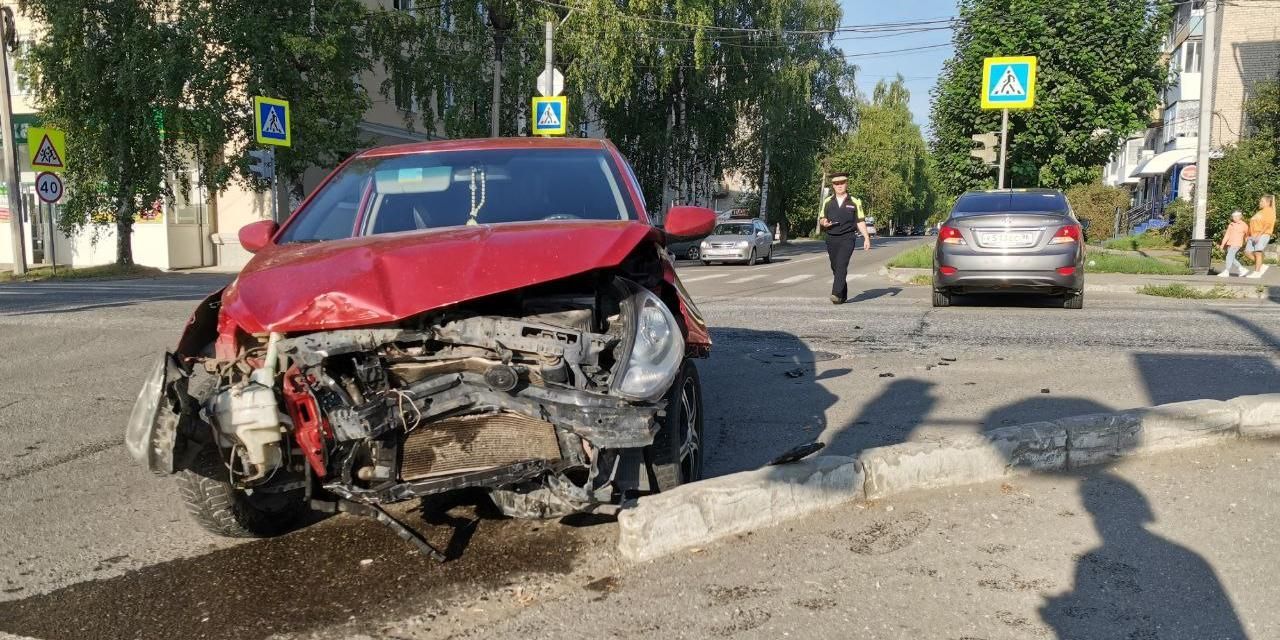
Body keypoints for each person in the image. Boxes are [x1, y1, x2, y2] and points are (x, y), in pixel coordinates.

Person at [818, 173, 870, 304]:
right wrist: (824, 223)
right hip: (831, 237)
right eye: (836, 184)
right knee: (835, 267)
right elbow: (822, 218)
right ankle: (843, 294)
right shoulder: (828, 201)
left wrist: (866, 238)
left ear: (846, 184)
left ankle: (835, 293)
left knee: (841, 264)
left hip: (848, 238)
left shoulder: (854, 201)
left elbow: (860, 220)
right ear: (833, 186)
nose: (839, 186)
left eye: (842, 183)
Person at [1244, 194, 1275, 278]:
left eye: (1262, 201)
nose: (1260, 202)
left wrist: (1259, 235)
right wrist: (1248, 235)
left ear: (1268, 202)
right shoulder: (1260, 212)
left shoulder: (1269, 211)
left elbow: (1267, 224)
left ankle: (1257, 272)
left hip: (1262, 234)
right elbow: (1252, 225)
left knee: (1258, 253)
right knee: (1247, 252)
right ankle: (1262, 266)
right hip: (1253, 235)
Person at [1218, 210, 1250, 278]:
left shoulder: (1244, 225)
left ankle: (1227, 271)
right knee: (1232, 258)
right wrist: (1222, 244)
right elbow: (1227, 235)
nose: (1234, 218)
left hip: (1237, 244)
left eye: (1236, 216)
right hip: (1230, 243)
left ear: (1240, 216)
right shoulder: (1231, 224)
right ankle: (1242, 269)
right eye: (1233, 216)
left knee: (1228, 257)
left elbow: (1248, 235)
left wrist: (1247, 243)